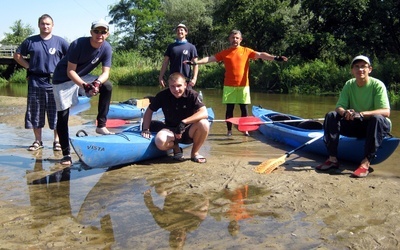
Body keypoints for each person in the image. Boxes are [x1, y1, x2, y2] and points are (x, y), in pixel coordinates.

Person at [187, 29, 288, 136]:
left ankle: (245, 130)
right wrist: (196, 62)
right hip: (229, 86)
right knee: (229, 109)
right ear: (229, 39)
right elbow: (210, 59)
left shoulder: (246, 51)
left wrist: (276, 58)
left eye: (236, 38)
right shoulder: (224, 53)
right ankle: (229, 131)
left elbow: (261, 55)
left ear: (240, 39)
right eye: (232, 38)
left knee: (244, 109)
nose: (234, 40)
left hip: (243, 86)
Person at [316, 55, 391, 178]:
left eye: (363, 66)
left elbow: (386, 112)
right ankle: (332, 159)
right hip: (355, 125)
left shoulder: (378, 85)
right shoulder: (349, 84)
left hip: (374, 125)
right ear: (352, 70)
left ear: (369, 69)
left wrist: (361, 114)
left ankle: (366, 162)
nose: (360, 69)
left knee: (377, 118)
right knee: (331, 115)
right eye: (357, 66)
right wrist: (346, 113)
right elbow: (339, 107)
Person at [52, 19, 113, 165]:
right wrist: (85, 86)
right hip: (63, 78)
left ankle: (101, 125)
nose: (100, 34)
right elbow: (70, 71)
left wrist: (97, 83)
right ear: (91, 32)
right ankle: (66, 154)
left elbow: (106, 73)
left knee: (107, 86)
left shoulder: (106, 48)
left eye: (103, 32)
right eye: (96, 31)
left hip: (83, 76)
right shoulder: (78, 44)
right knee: (63, 115)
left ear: (107, 34)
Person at [13, 14, 69, 152]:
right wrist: (28, 67)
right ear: (39, 25)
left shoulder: (60, 42)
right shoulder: (31, 41)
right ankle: (38, 141)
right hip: (35, 81)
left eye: (48, 24)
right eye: (43, 24)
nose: (45, 26)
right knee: (35, 112)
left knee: (56, 113)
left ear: (53, 25)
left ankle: (57, 141)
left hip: (54, 82)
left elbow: (71, 58)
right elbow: (17, 55)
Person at [141, 72, 209, 163]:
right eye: (172, 86)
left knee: (204, 123)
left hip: (188, 130)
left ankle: (195, 153)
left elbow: (204, 112)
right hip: (170, 130)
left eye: (179, 86)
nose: (176, 89)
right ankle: (175, 147)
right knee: (159, 141)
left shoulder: (192, 95)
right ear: (168, 86)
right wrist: (146, 129)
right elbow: (149, 111)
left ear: (185, 85)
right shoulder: (162, 95)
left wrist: (184, 122)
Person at [159, 23, 198, 88]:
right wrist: (160, 77)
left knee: (187, 97)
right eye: (178, 30)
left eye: (181, 30)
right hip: (173, 80)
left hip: (186, 80)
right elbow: (165, 62)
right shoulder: (171, 47)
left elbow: (195, 64)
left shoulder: (191, 47)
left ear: (186, 32)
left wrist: (194, 78)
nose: (179, 32)